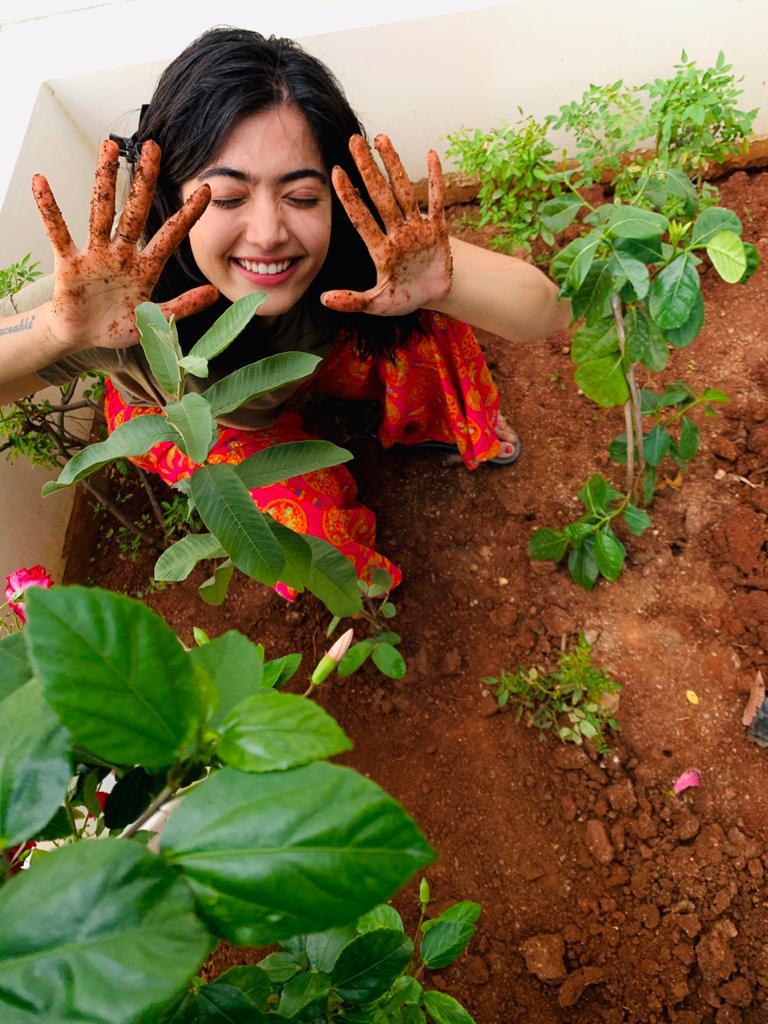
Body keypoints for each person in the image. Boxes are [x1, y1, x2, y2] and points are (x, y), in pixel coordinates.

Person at [0, 26, 569, 597]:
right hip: (208, 421)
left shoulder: (359, 244)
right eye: (225, 199)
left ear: (333, 193)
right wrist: (57, 330)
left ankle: (427, 427)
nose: (269, 235)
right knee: (309, 540)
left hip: (317, 351)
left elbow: (548, 311)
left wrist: (442, 290)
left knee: (427, 327)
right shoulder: (123, 306)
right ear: (172, 197)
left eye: (301, 196)